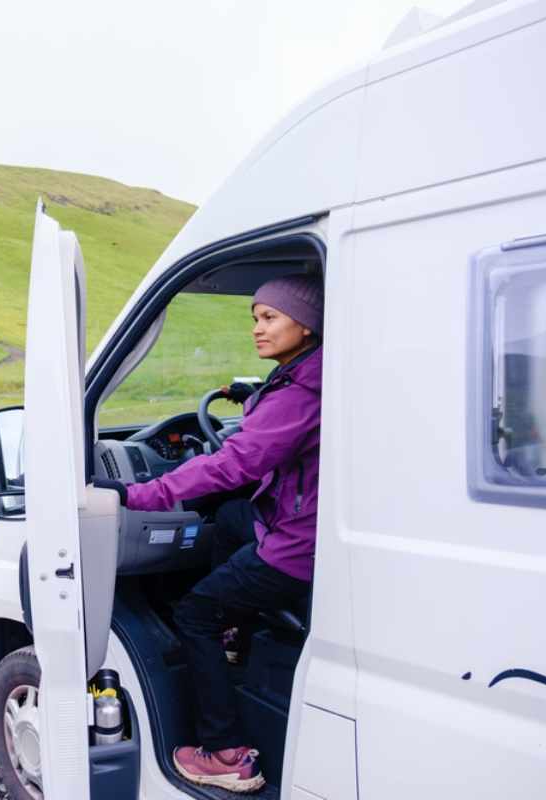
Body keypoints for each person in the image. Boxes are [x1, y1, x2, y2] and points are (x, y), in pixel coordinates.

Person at [125, 274, 324, 794]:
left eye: (269, 318)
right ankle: (232, 634)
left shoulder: (299, 394)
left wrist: (141, 494)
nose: (257, 329)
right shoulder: (307, 375)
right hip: (303, 524)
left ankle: (227, 754)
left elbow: (231, 465)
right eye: (254, 318)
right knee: (233, 518)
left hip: (296, 547)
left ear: (305, 324)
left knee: (193, 614)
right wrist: (256, 394)